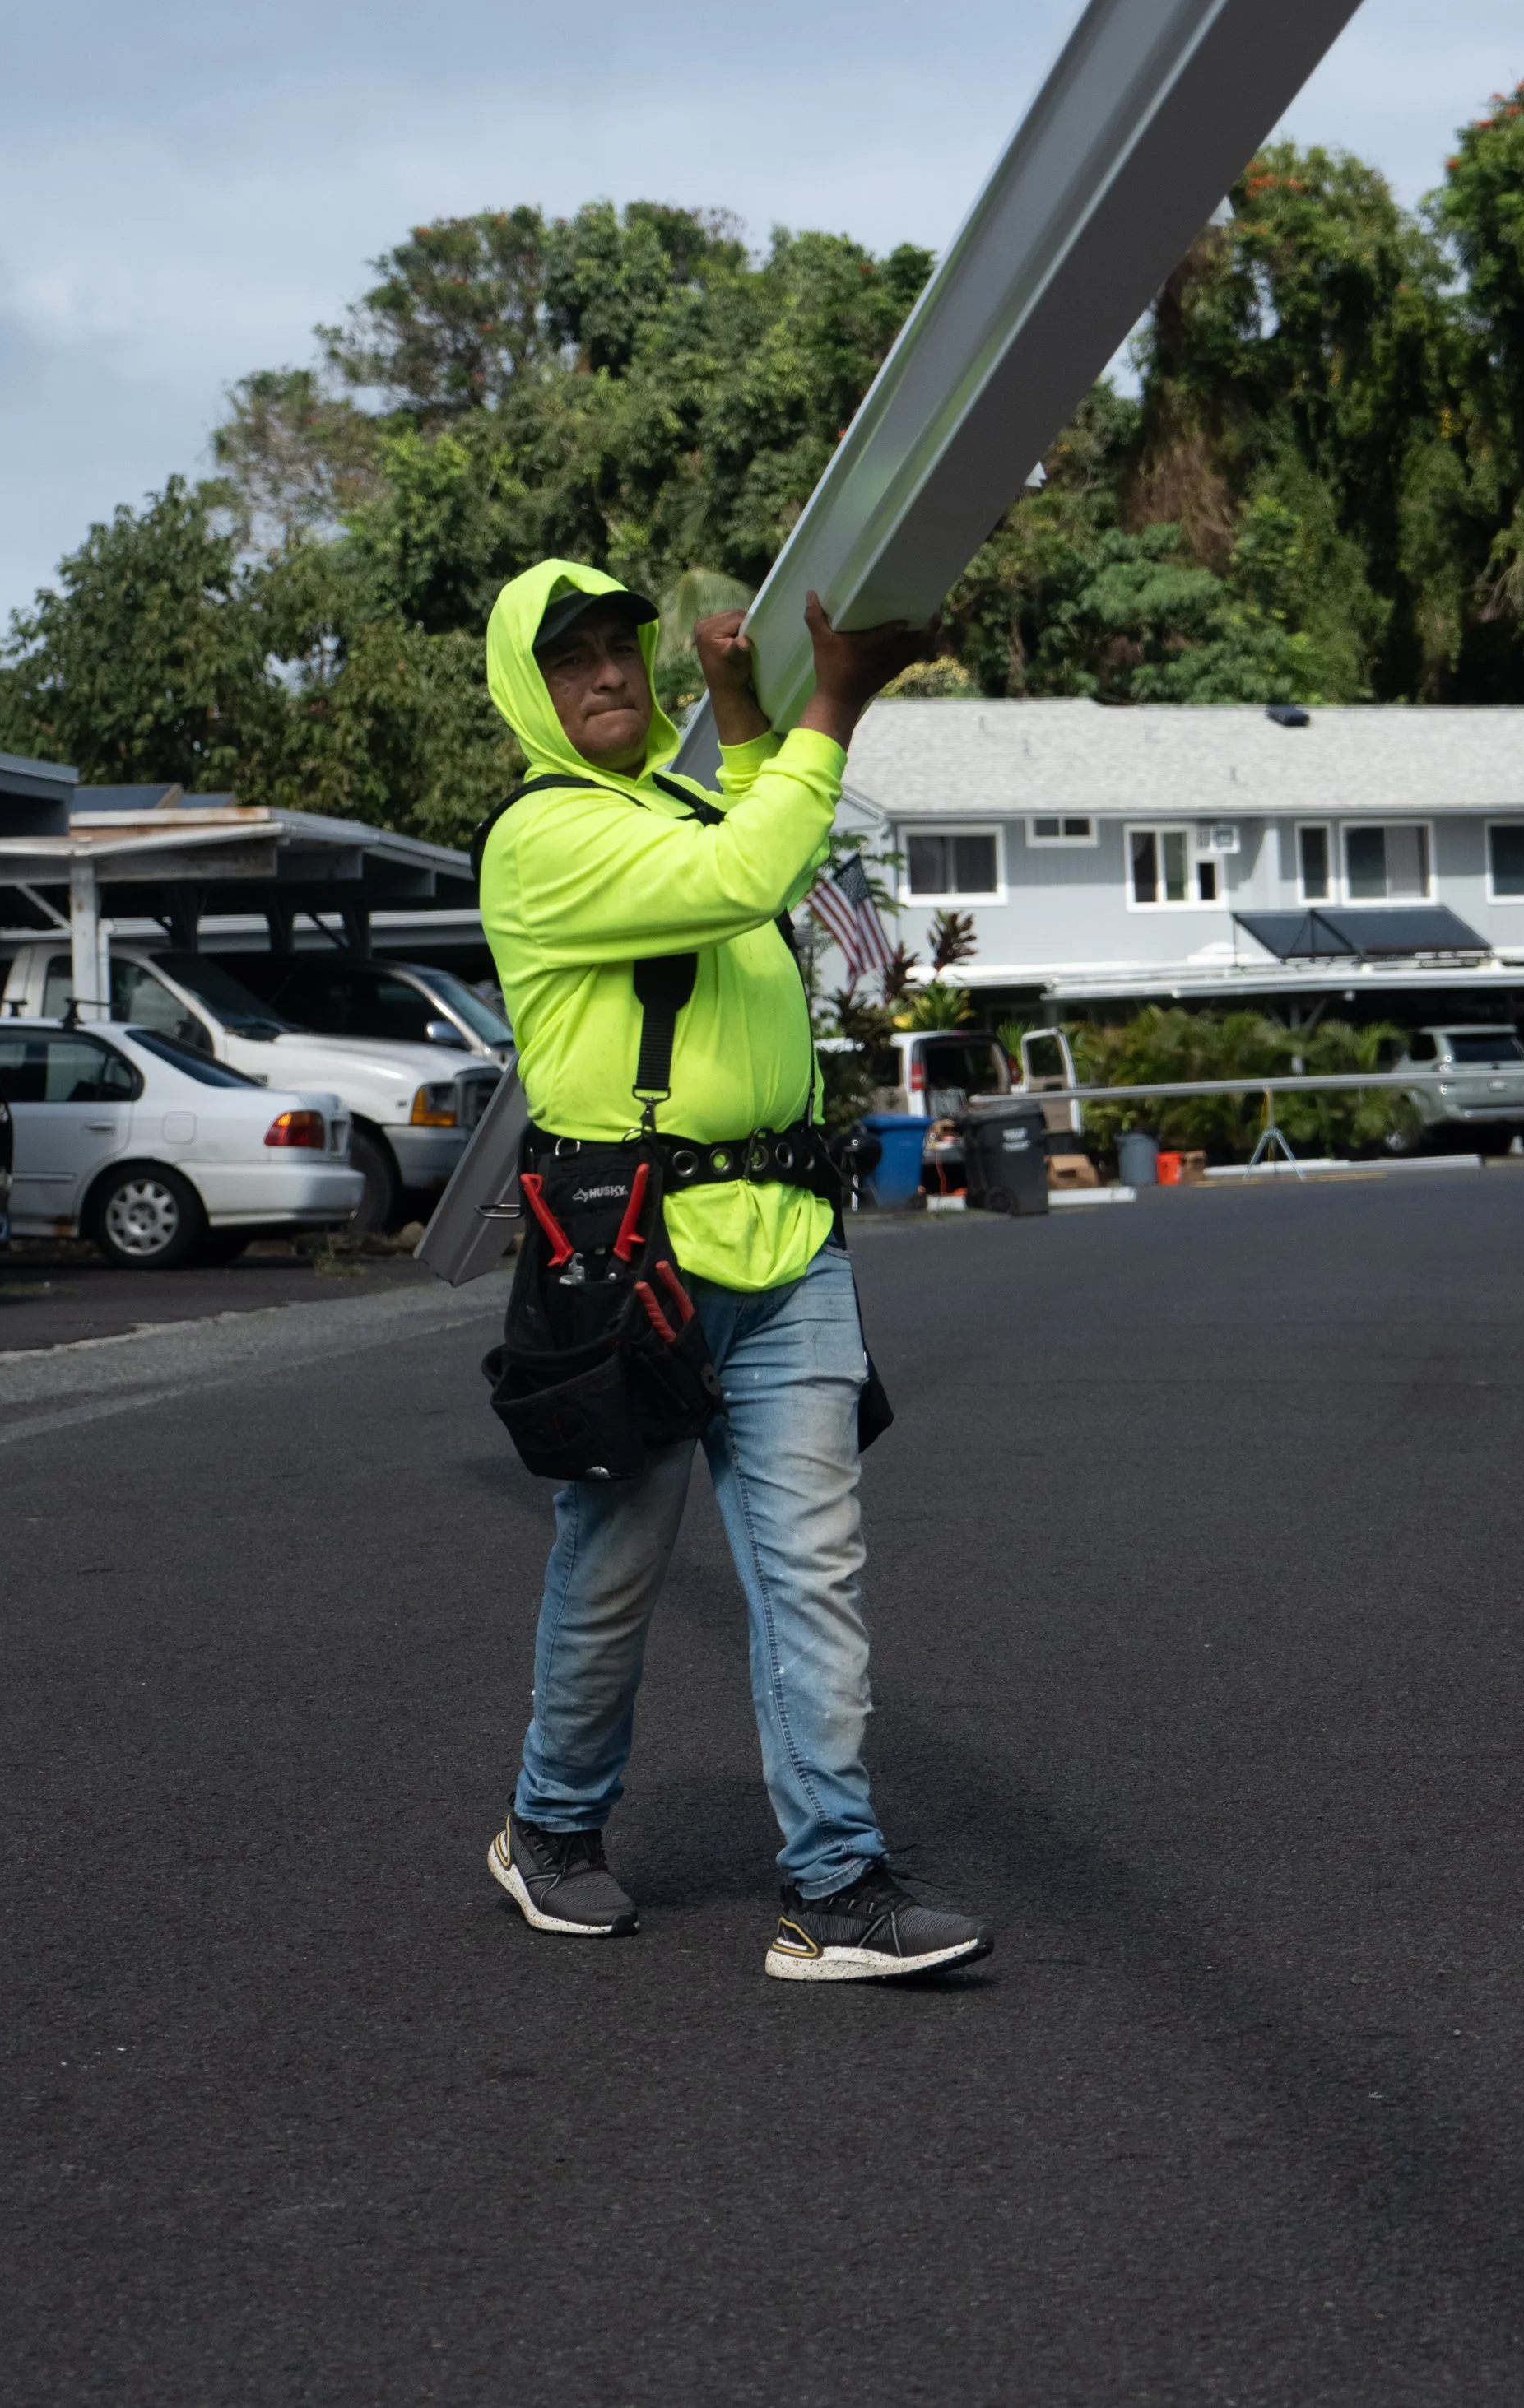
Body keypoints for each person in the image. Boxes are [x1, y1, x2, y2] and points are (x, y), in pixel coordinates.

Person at [476, 558, 993, 1983]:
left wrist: (750, 715)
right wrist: (839, 698)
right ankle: (553, 1828)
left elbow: (764, 836)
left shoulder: (687, 798)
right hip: (628, 1257)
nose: (610, 675)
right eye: (574, 658)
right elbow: (753, 869)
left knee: (813, 1574)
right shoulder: (544, 839)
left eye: (624, 651)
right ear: (529, 686)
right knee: (615, 1568)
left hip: (786, 1246)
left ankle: (835, 1889)